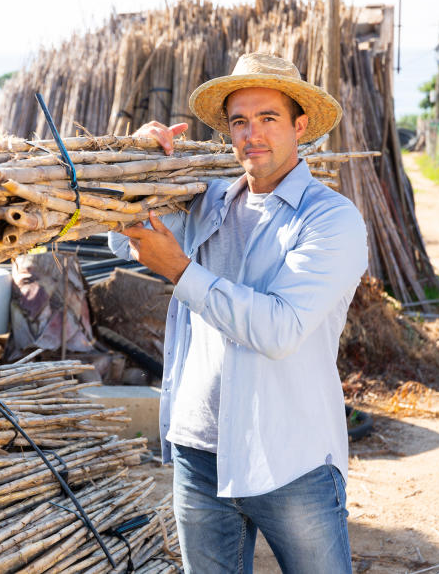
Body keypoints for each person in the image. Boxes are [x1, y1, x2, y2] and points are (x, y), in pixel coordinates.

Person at [108, 52, 368, 573]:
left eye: (268, 118)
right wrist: (137, 161)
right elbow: (122, 239)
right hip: (198, 450)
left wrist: (180, 270)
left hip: (288, 454)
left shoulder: (332, 221)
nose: (253, 134)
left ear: (300, 126)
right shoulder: (208, 201)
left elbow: (278, 328)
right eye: (240, 121)